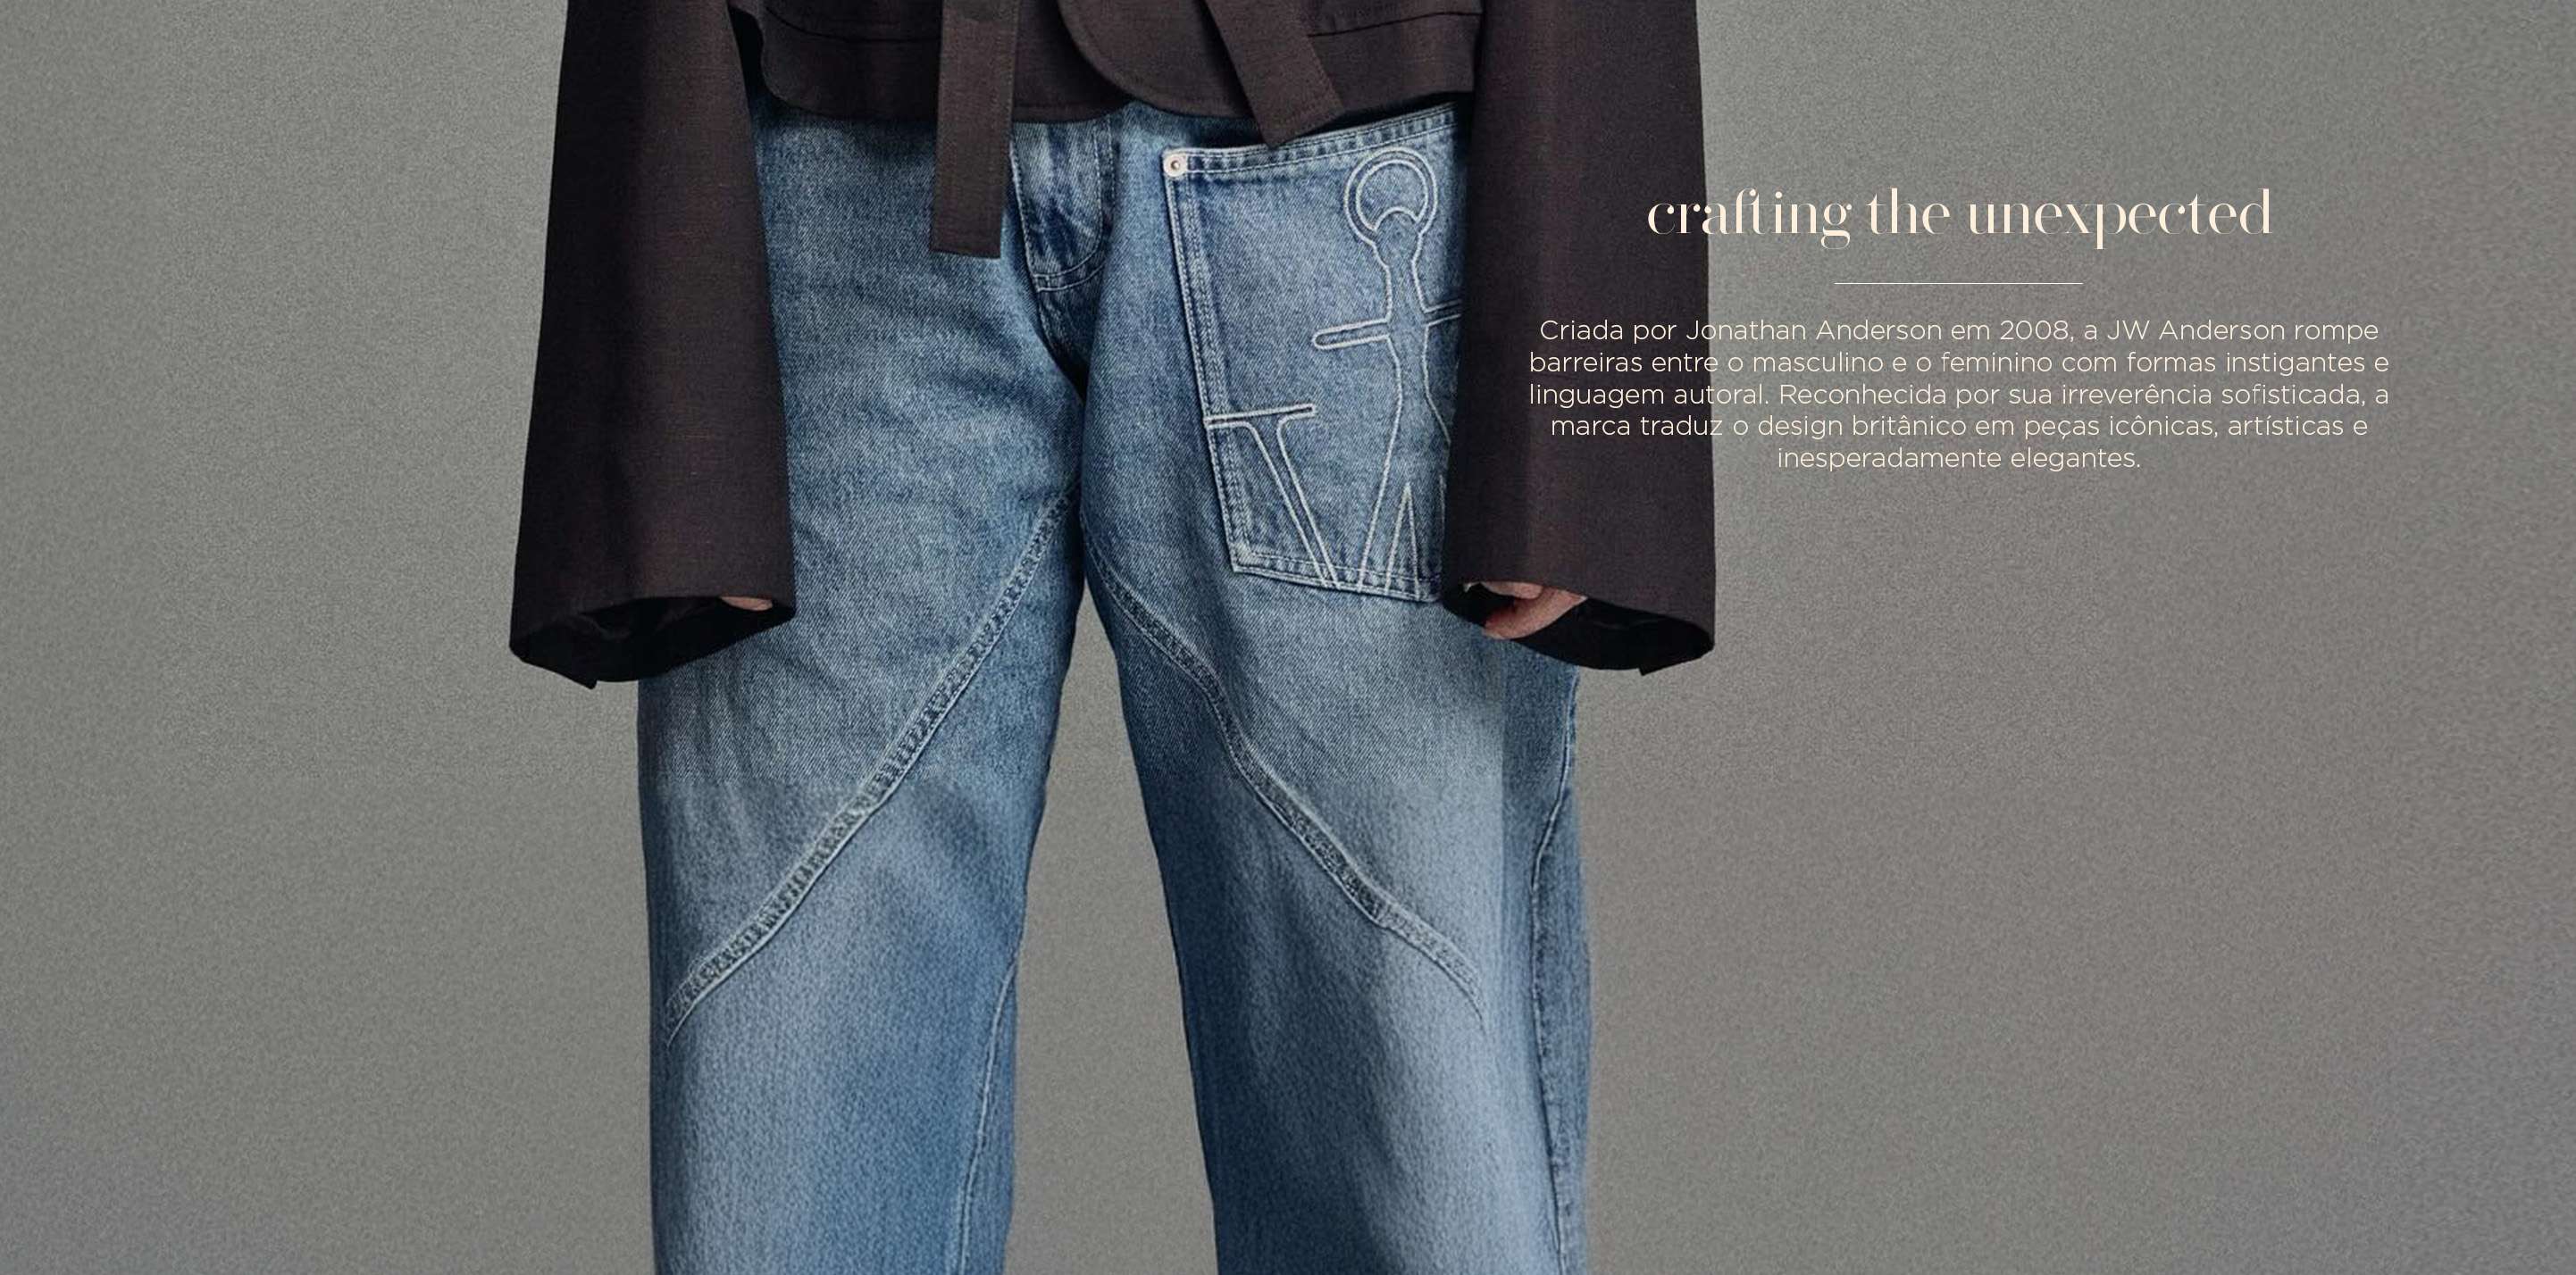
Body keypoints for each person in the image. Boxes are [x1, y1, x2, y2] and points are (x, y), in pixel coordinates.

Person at [508, 3, 1714, 1271]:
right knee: (787, 1131)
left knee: (1418, 1136)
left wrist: (1590, 389)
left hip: (1346, 185)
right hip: (831, 170)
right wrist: (664, 356)